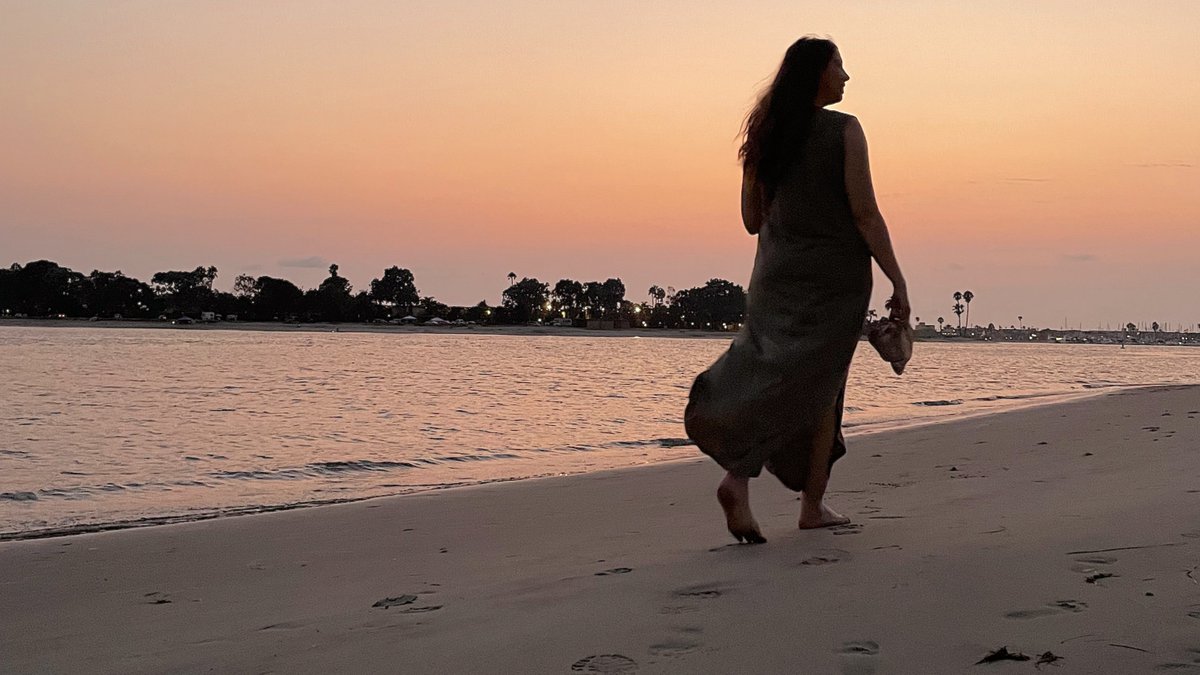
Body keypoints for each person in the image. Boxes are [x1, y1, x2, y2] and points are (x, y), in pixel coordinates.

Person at [684, 37, 910, 544]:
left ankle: (750, 479)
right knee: (823, 390)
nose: (847, 76)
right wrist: (897, 276)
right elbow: (865, 213)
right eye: (840, 66)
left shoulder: (764, 134)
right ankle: (805, 503)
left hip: (774, 280)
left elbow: (749, 220)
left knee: (769, 374)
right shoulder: (844, 130)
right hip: (834, 283)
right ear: (816, 75)